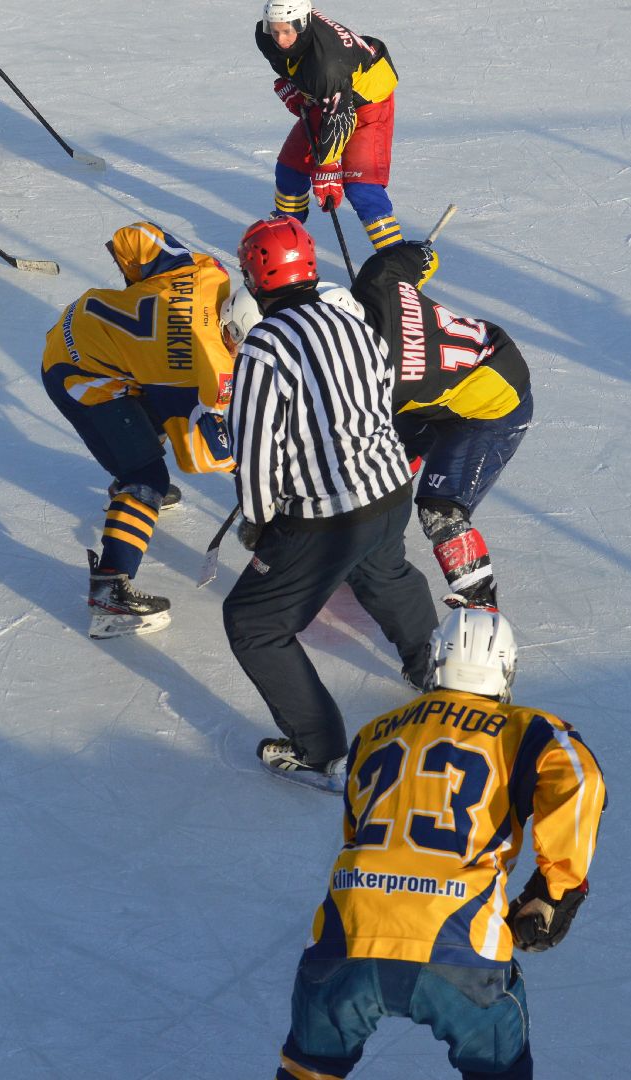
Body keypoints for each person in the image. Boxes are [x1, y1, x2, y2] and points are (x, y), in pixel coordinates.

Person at [272, 607, 606, 1080]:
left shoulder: (373, 732)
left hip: (348, 934)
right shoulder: (526, 730)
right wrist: (558, 889)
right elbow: (581, 781)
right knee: (499, 1071)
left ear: (434, 660)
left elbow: (357, 828)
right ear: (507, 669)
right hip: (459, 945)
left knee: (308, 1070)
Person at [224, 216, 437, 792]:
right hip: (390, 489)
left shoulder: (265, 345)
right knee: (384, 573)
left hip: (329, 516)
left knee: (253, 623)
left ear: (255, 276)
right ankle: (436, 670)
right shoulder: (352, 322)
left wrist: (260, 522)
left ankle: (319, 752)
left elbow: (255, 446)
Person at [41, 222, 236, 639]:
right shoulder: (191, 356)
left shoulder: (208, 272)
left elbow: (138, 240)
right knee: (147, 477)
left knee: (151, 421)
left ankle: (128, 486)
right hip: (81, 378)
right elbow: (198, 457)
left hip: (83, 335)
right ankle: (110, 593)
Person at [325, 241, 534, 611]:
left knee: (440, 509)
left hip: (492, 409)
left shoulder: (378, 381)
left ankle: (480, 603)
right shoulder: (378, 279)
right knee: (377, 469)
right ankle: (362, 551)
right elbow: (418, 256)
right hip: (470, 367)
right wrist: (423, 253)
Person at [255, 1, 404, 253]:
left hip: (367, 101)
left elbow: (341, 119)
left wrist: (327, 166)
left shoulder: (326, 66)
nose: (281, 39)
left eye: (288, 31)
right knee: (290, 169)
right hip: (330, 94)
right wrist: (296, 86)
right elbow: (292, 64)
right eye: (275, 30)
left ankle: (397, 261)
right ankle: (286, 242)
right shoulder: (265, 36)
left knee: (361, 186)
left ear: (303, 25)